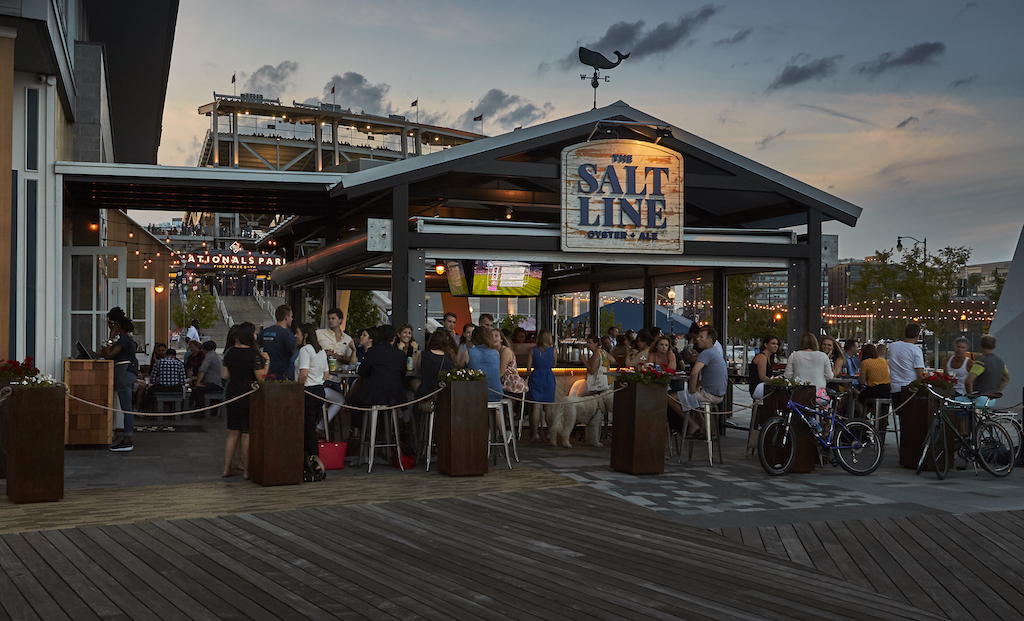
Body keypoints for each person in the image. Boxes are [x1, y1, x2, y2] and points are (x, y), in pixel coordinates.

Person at [221, 322, 268, 478]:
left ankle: (227, 468)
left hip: (232, 391)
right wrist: (266, 361)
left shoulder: (229, 352)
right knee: (247, 433)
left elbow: (225, 375)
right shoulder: (254, 354)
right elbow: (261, 377)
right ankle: (247, 471)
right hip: (248, 392)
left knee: (233, 432)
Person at [348, 325, 407, 429]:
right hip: (396, 395)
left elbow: (362, 372)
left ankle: (362, 432)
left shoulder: (372, 352)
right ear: (393, 339)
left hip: (374, 393)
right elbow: (403, 374)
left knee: (354, 400)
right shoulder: (400, 354)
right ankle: (386, 434)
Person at [676, 326, 728, 438]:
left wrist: (691, 390)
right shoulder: (715, 352)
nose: (697, 339)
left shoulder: (707, 353)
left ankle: (692, 425)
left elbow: (694, 373)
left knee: (670, 399)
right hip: (718, 395)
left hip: (709, 395)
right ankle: (706, 430)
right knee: (693, 401)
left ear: (709, 340)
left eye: (701, 337)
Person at [101, 307, 138, 452]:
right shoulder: (126, 339)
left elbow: (109, 354)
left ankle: (128, 440)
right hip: (126, 373)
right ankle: (126, 437)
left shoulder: (123, 339)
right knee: (126, 407)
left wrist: (110, 338)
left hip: (124, 374)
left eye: (111, 324)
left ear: (116, 324)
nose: (110, 326)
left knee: (127, 408)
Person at [296, 323, 329, 464]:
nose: (295, 336)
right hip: (319, 390)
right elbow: (326, 373)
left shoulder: (305, 350)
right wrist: (316, 380)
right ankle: (313, 458)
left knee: (307, 427)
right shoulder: (320, 351)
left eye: (297, 333)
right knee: (311, 425)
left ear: (305, 335)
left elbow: (303, 373)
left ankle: (312, 458)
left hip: (307, 390)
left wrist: (297, 387)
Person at [526, 328, 556, 441]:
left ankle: (535, 434)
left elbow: (528, 368)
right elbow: (554, 365)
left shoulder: (533, 350)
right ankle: (550, 432)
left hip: (536, 377)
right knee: (548, 408)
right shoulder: (554, 350)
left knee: (536, 407)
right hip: (548, 377)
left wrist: (531, 374)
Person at [414, 329, 457, 406]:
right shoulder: (449, 359)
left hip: (425, 392)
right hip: (442, 393)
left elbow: (417, 370)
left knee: (412, 381)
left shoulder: (424, 354)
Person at [887, 323, 926, 408]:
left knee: (901, 416)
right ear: (918, 335)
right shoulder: (916, 350)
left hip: (895, 389)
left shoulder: (892, 346)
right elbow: (920, 374)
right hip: (910, 390)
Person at [965, 335, 1010, 400]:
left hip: (980, 397)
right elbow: (1006, 378)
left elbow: (968, 381)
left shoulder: (981, 363)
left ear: (980, 344)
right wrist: (997, 392)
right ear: (994, 346)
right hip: (991, 399)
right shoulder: (1000, 362)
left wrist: (971, 395)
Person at [259, 304, 296, 379]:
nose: (292, 319)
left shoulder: (265, 331)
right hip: (281, 374)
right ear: (286, 317)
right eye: (291, 316)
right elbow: (295, 352)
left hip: (267, 372)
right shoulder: (287, 334)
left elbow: (255, 345)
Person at [856, 344, 890, 415]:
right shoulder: (883, 361)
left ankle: (864, 418)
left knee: (858, 399)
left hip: (874, 390)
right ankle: (878, 417)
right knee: (868, 400)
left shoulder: (865, 362)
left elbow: (862, 381)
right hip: (887, 390)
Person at [191, 341, 223, 414]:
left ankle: (199, 412)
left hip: (214, 383)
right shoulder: (217, 355)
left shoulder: (209, 356)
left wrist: (198, 383)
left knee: (197, 390)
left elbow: (202, 370)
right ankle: (214, 406)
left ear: (204, 349)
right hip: (219, 382)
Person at [748, 335, 780, 401]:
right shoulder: (762, 357)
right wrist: (777, 383)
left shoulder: (769, 358)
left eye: (777, 344)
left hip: (764, 385)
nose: (775, 346)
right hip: (757, 387)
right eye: (773, 343)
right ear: (766, 344)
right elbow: (762, 377)